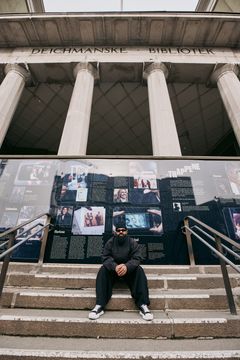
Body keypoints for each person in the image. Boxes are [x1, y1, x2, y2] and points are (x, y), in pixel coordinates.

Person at [88, 224, 153, 321]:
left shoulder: (132, 242)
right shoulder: (110, 242)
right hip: (114, 271)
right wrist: (115, 266)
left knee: (139, 270)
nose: (121, 232)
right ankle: (99, 305)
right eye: (118, 230)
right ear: (115, 232)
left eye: (123, 230)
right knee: (102, 270)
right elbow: (105, 257)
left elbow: (137, 257)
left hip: (128, 271)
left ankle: (143, 305)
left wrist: (127, 266)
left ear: (127, 231)